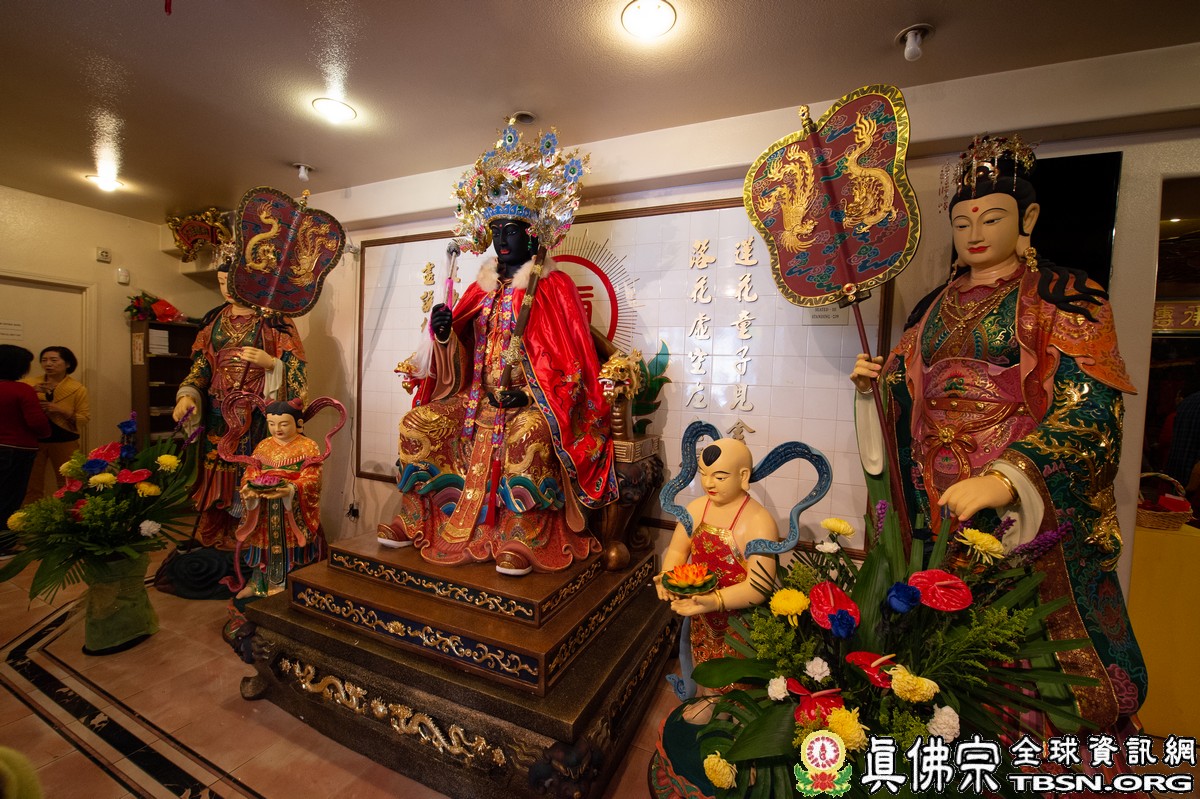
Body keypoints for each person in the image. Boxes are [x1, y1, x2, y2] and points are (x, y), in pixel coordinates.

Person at [850, 134, 1146, 732]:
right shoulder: (930, 309)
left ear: (1028, 218)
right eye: (962, 223)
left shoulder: (1066, 298)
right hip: (935, 499)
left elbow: (1092, 410)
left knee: (1014, 649)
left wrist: (1008, 479)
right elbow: (907, 404)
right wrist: (872, 390)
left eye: (992, 218)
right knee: (929, 638)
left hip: (1014, 505)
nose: (975, 233)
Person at [378, 125, 617, 576]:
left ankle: (522, 536)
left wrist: (529, 396)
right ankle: (415, 519)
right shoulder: (478, 290)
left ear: (534, 235)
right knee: (417, 423)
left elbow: (572, 362)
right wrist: (446, 336)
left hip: (532, 404)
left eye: (512, 230)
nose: (502, 239)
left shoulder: (553, 287)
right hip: (474, 401)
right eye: (495, 230)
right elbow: (459, 361)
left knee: (527, 436)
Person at [173, 251, 307, 549]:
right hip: (218, 409)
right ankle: (214, 533)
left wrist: (272, 364)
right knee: (215, 470)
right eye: (221, 282)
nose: (227, 289)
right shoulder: (214, 321)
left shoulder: (275, 321)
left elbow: (296, 368)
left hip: (257, 411)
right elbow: (202, 366)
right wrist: (188, 394)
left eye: (232, 281)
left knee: (250, 470)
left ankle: (250, 536)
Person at [654, 438, 778, 720]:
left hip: (742, 618)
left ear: (743, 476)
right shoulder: (696, 509)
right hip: (703, 613)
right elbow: (677, 551)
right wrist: (667, 577)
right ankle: (711, 700)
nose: (709, 483)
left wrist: (714, 601)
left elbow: (759, 586)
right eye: (704, 474)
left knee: (741, 670)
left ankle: (742, 710)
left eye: (720, 477)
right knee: (705, 658)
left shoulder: (758, 521)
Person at [227, 401, 324, 598]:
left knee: (292, 548)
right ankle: (257, 583)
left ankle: (292, 586)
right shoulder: (264, 445)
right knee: (263, 546)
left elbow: (313, 477)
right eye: (271, 424)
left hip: (290, 507)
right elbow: (251, 470)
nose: (277, 429)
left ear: (298, 423)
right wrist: (249, 488)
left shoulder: (308, 446)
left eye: (283, 424)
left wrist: (291, 488)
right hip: (263, 505)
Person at [21, 346, 89, 504]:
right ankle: (29, 514)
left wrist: (60, 410)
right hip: (34, 440)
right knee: (31, 483)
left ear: (68, 364)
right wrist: (32, 391)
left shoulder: (77, 388)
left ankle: (69, 512)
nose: (48, 364)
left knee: (69, 482)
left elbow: (84, 418)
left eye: (54, 360)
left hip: (65, 439)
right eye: (44, 360)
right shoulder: (28, 384)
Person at [0, 345, 50, 557]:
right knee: (9, 497)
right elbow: (37, 422)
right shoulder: (22, 390)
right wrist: (46, 433)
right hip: (16, 449)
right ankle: (4, 543)